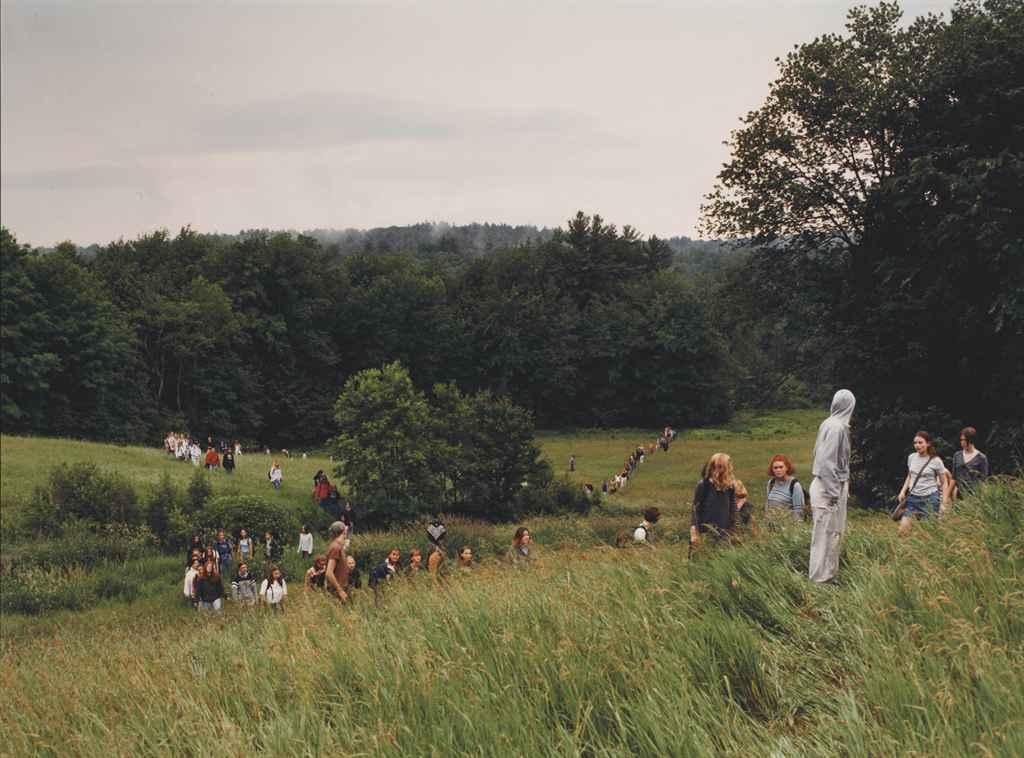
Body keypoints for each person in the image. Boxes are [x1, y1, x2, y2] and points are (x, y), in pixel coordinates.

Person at [809, 389, 855, 583]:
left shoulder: (830, 424)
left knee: (833, 533)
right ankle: (819, 580)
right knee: (824, 535)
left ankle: (829, 576)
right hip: (828, 488)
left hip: (830, 486)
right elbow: (826, 462)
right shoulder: (836, 427)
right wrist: (834, 492)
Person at [896, 431, 951, 535]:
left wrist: (944, 503)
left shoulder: (936, 461)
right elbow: (910, 475)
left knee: (927, 534)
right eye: (915, 443)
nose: (917, 445)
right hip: (913, 499)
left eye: (920, 442)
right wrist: (902, 491)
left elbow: (944, 483)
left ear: (928, 443)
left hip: (930, 500)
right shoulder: (911, 457)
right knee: (902, 531)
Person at [690, 454, 737, 548]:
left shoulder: (730, 487)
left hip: (724, 534)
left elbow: (733, 509)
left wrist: (733, 530)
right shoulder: (704, 485)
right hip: (705, 532)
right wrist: (694, 532)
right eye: (717, 467)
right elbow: (695, 509)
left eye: (722, 467)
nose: (719, 470)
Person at [765, 454, 806, 524]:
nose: (778, 470)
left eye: (781, 467)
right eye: (775, 468)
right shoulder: (771, 483)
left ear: (787, 468)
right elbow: (768, 504)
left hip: (787, 526)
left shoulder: (795, 485)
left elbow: (798, 511)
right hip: (771, 526)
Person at [951, 426, 989, 499]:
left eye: (963, 440)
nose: (961, 442)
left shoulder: (981, 458)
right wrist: (946, 497)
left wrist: (984, 499)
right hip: (959, 495)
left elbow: (983, 481)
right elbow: (954, 478)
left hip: (974, 495)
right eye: (961, 440)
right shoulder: (957, 455)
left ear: (970, 440)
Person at [324, 521, 350, 602]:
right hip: (336, 592)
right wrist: (340, 591)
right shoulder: (335, 548)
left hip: (342, 589)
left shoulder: (339, 547)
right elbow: (329, 572)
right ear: (344, 532)